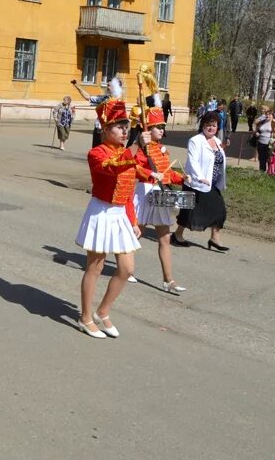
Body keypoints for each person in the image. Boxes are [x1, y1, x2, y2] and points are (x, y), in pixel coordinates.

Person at [74, 91, 157, 339]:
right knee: (95, 267)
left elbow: (130, 186)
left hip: (121, 214)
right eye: (118, 127)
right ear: (105, 129)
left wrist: (133, 220)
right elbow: (113, 168)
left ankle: (103, 310)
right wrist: (134, 147)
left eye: (126, 127)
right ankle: (85, 316)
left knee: (126, 269)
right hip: (101, 212)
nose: (123, 131)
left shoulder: (127, 153)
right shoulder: (97, 153)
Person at [133, 107, 189, 294]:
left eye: (163, 127)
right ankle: (126, 269)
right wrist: (150, 173)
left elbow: (168, 174)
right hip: (145, 192)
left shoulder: (163, 151)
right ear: (148, 129)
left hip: (161, 194)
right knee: (136, 233)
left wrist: (182, 178)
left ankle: (168, 280)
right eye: (158, 127)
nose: (162, 130)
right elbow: (135, 168)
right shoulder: (142, 149)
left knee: (164, 238)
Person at [174, 111, 229, 252]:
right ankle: (177, 235)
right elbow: (193, 161)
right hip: (196, 182)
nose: (211, 128)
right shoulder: (195, 140)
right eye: (208, 125)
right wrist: (200, 177)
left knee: (220, 210)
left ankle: (214, 238)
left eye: (214, 125)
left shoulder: (216, 141)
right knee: (189, 211)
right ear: (203, 125)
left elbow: (217, 160)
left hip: (213, 183)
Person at [71, 78, 122, 148]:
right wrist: (77, 85)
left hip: (109, 133)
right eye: (107, 85)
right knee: (95, 153)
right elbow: (88, 97)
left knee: (106, 155)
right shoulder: (104, 98)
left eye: (109, 85)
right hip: (98, 130)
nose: (107, 87)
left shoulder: (119, 102)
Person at [252, 106, 275, 173]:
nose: (268, 116)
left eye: (269, 115)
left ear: (272, 116)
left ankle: (270, 172)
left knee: (269, 158)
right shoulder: (262, 122)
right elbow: (256, 127)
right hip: (260, 143)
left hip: (270, 144)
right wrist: (256, 133)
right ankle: (262, 171)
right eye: (266, 115)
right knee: (262, 158)